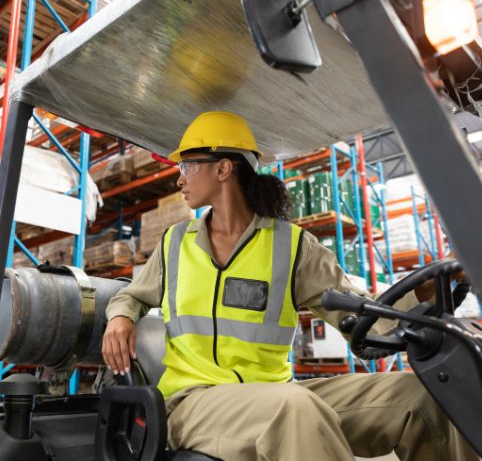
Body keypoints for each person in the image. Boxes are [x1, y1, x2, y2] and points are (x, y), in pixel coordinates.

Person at [102, 111, 477, 460]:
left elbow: (364, 317)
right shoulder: (174, 243)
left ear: (223, 169)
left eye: (187, 164)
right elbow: (130, 295)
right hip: (193, 400)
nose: (179, 177)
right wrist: (120, 317)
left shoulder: (292, 246)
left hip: (277, 393)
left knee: (421, 396)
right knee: (294, 408)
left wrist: (424, 292)